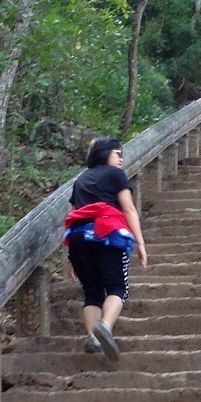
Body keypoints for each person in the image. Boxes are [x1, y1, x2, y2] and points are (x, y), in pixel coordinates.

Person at [63, 137, 147, 360]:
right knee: (118, 287)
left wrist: (71, 258)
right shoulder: (115, 175)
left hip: (79, 238)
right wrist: (139, 242)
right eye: (117, 153)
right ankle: (105, 327)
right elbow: (128, 209)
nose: (121, 158)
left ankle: (92, 338)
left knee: (92, 293)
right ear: (104, 154)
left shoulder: (80, 180)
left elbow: (73, 215)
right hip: (106, 235)